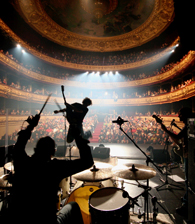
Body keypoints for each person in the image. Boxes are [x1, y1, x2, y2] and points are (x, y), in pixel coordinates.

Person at [10, 114, 94, 224]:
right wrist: (77, 136)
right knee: (73, 206)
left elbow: (19, 146)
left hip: (20, 219)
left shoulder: (22, 162)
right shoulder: (54, 167)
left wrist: (31, 126)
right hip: (46, 221)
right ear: (53, 152)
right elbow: (87, 161)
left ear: (35, 149)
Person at [156, 107, 193, 217]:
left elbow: (177, 137)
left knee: (189, 180)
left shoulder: (190, 125)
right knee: (189, 179)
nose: (178, 117)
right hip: (188, 154)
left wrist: (165, 129)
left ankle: (187, 204)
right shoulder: (189, 124)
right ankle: (187, 197)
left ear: (186, 114)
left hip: (190, 156)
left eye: (180, 114)